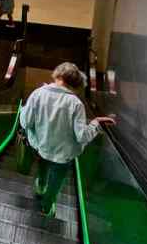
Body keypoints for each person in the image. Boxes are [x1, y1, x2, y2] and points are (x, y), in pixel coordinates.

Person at [19, 62, 115, 216]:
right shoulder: (76, 104)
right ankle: (46, 208)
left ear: (57, 74)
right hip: (63, 156)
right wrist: (96, 124)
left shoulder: (38, 94)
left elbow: (25, 122)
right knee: (55, 183)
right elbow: (82, 136)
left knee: (42, 168)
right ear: (75, 83)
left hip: (41, 148)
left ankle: (40, 187)